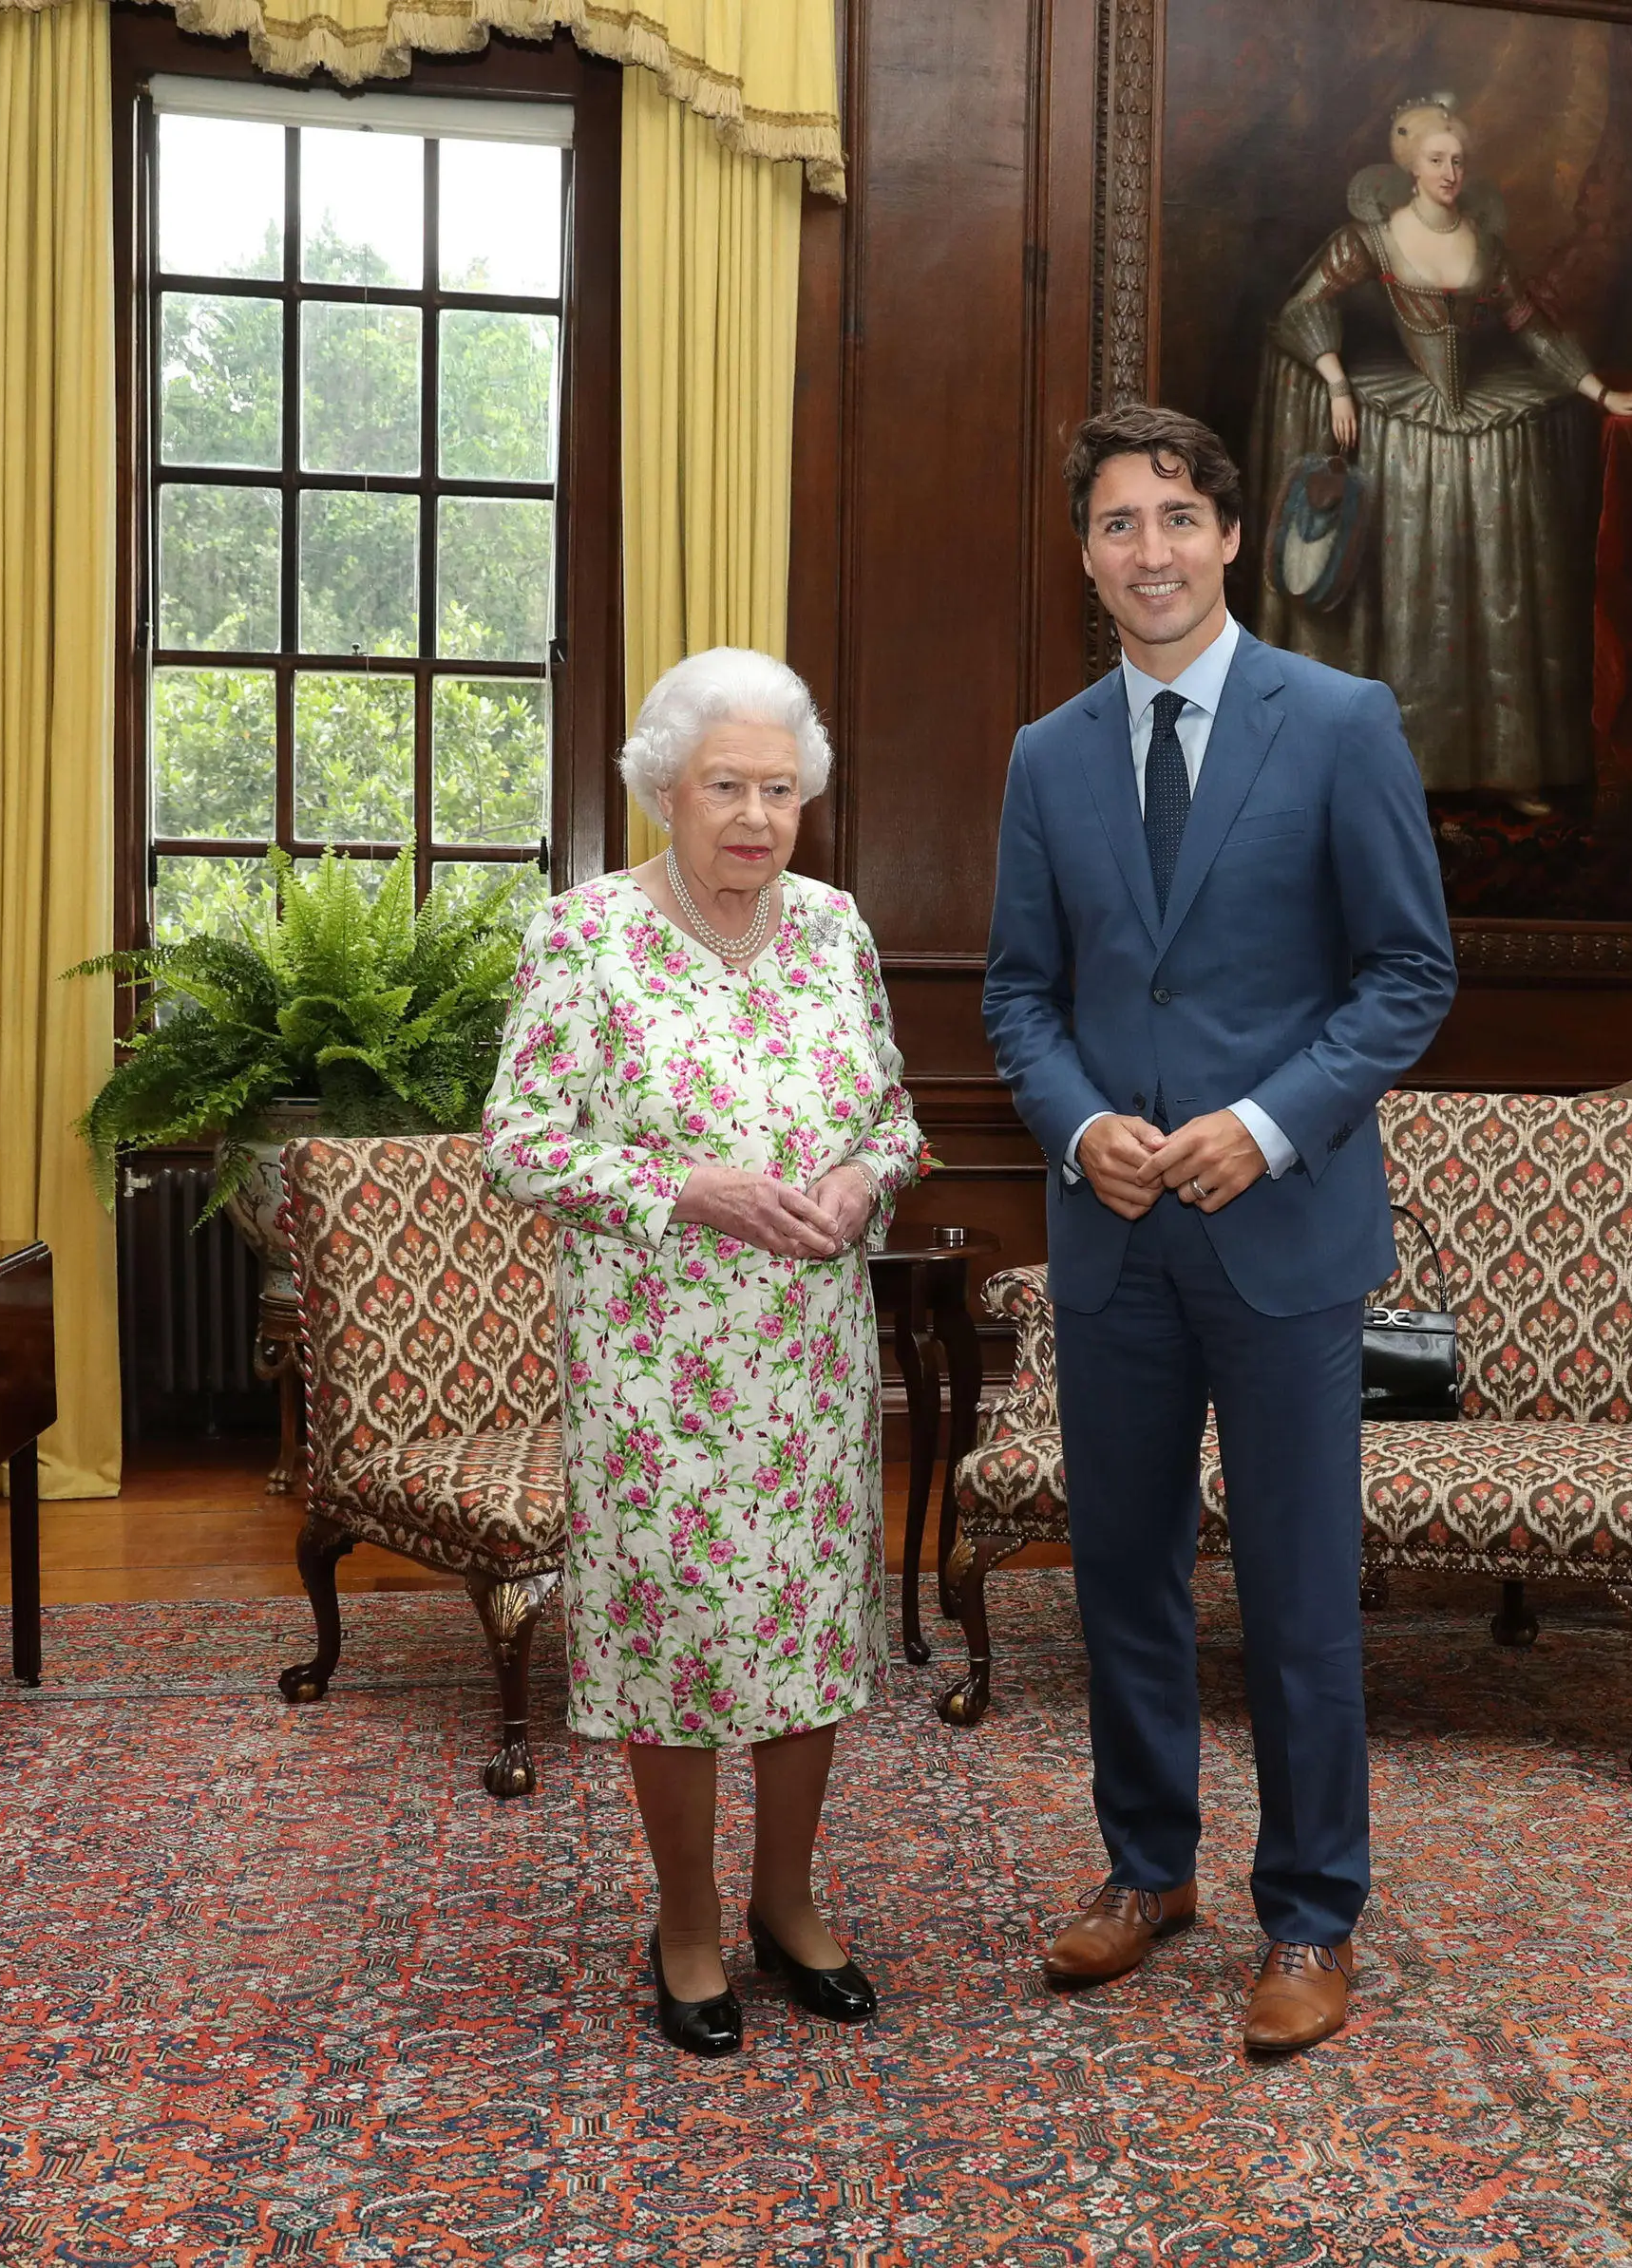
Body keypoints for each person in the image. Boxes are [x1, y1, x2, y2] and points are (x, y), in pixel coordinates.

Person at [982, 404, 1459, 2056]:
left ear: (1235, 534)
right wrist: (1077, 1121)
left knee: (1301, 1587)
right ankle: (1145, 1869)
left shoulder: (1338, 722)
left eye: (1179, 514)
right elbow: (1022, 996)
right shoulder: (1048, 755)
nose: (1152, 549)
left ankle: (1313, 1914)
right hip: (1111, 1240)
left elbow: (1410, 973)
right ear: (1085, 555)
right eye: (1119, 523)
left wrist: (1261, 1127)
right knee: (1119, 1572)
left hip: (1285, 1235)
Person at [483, 647, 922, 2059]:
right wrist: (691, 1188)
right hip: (654, 1369)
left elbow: (896, 1116)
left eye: (779, 791)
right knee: (671, 1642)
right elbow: (523, 1142)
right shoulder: (584, 935)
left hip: (809, 1368)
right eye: (727, 785)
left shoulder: (840, 927)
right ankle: (685, 1920)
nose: (754, 815)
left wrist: (865, 1182)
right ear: (663, 788)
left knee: (804, 1638)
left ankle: (789, 1902)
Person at [1253, 92, 1632, 816]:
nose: (1450, 171)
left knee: (1489, 591)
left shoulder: (1485, 246)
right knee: (1407, 593)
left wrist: (1599, 393)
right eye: (1437, 160)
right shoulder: (1371, 239)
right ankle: (1383, 771)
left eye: (1459, 161)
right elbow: (1303, 306)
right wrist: (1337, 381)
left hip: (1476, 425)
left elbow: (1531, 325)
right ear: (1410, 168)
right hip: (1403, 435)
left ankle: (1508, 765)